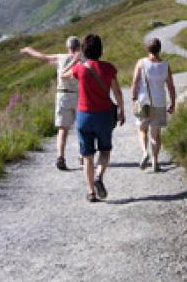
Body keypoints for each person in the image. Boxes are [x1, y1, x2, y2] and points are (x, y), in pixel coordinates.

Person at [62, 34, 125, 202]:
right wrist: (122, 110)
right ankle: (99, 176)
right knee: (105, 150)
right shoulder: (109, 68)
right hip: (104, 115)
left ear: (84, 50)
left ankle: (91, 192)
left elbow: (63, 75)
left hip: (84, 116)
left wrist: (76, 60)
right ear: (101, 50)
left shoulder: (80, 68)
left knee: (87, 155)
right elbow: (117, 92)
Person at [20, 36, 82, 170]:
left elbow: (43, 57)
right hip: (79, 96)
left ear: (68, 47)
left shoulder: (61, 57)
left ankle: (61, 157)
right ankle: (83, 154)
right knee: (81, 128)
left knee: (63, 129)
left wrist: (28, 50)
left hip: (63, 95)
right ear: (79, 47)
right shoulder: (83, 59)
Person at [131, 38, 176, 173]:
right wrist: (173, 102)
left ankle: (145, 152)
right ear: (159, 49)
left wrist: (133, 98)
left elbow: (135, 82)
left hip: (143, 101)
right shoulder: (165, 65)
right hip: (160, 103)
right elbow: (171, 86)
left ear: (148, 49)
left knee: (142, 129)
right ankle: (155, 162)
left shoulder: (141, 63)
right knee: (156, 135)